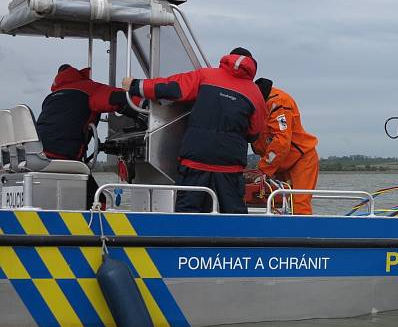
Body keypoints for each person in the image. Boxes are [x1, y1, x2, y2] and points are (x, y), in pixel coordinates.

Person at [121, 47, 266, 214]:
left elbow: (169, 87)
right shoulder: (255, 94)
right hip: (230, 169)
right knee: (233, 220)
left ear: (227, 59)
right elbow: (254, 133)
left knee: (188, 216)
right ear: (252, 66)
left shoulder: (205, 76)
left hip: (195, 163)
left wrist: (135, 85)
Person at [37, 64, 139, 208]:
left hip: (37, 152)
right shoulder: (89, 88)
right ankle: (94, 228)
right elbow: (120, 98)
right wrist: (146, 103)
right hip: (65, 156)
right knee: (99, 199)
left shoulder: (52, 97)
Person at [252, 78, 319, 215]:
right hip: (278, 163)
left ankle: (301, 235)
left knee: (299, 205)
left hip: (301, 158)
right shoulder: (253, 106)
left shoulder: (279, 102)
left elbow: (281, 141)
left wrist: (264, 169)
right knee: (277, 203)